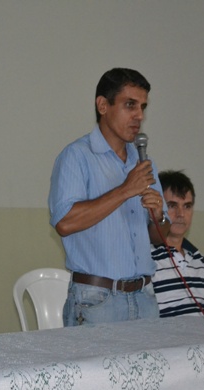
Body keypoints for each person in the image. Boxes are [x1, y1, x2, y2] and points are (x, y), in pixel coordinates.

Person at [48, 68, 171, 326]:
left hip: (145, 297)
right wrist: (125, 190)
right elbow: (65, 223)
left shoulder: (143, 162)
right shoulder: (76, 156)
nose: (139, 115)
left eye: (143, 107)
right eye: (130, 105)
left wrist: (159, 216)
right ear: (103, 105)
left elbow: (160, 237)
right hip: (97, 300)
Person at [151, 170, 204, 317]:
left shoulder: (201, 261)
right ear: (157, 209)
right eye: (172, 206)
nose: (181, 214)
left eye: (187, 206)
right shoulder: (146, 261)